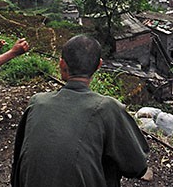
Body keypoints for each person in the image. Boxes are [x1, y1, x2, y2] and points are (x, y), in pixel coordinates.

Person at [12, 35, 149, 187]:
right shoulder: (107, 107)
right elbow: (137, 166)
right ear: (99, 65)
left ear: (62, 64)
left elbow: (18, 158)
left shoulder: (37, 102)